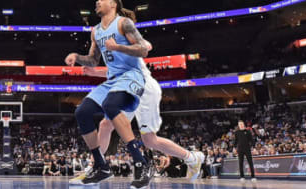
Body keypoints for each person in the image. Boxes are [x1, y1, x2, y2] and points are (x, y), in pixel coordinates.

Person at [63, 0, 152, 187]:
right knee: (82, 112)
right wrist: (76, 56)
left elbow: (143, 50)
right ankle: (101, 166)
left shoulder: (124, 23)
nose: (97, 2)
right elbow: (93, 60)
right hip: (112, 80)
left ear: (113, 4)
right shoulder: (95, 31)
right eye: (97, 0)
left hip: (131, 76)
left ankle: (140, 162)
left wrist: (118, 46)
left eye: (102, 0)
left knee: (110, 105)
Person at [71, 59, 205, 183]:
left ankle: (192, 158)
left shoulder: (122, 39)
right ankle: (95, 167)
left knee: (149, 140)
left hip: (144, 89)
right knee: (105, 125)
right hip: (127, 87)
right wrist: (96, 71)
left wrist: (95, 72)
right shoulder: (107, 42)